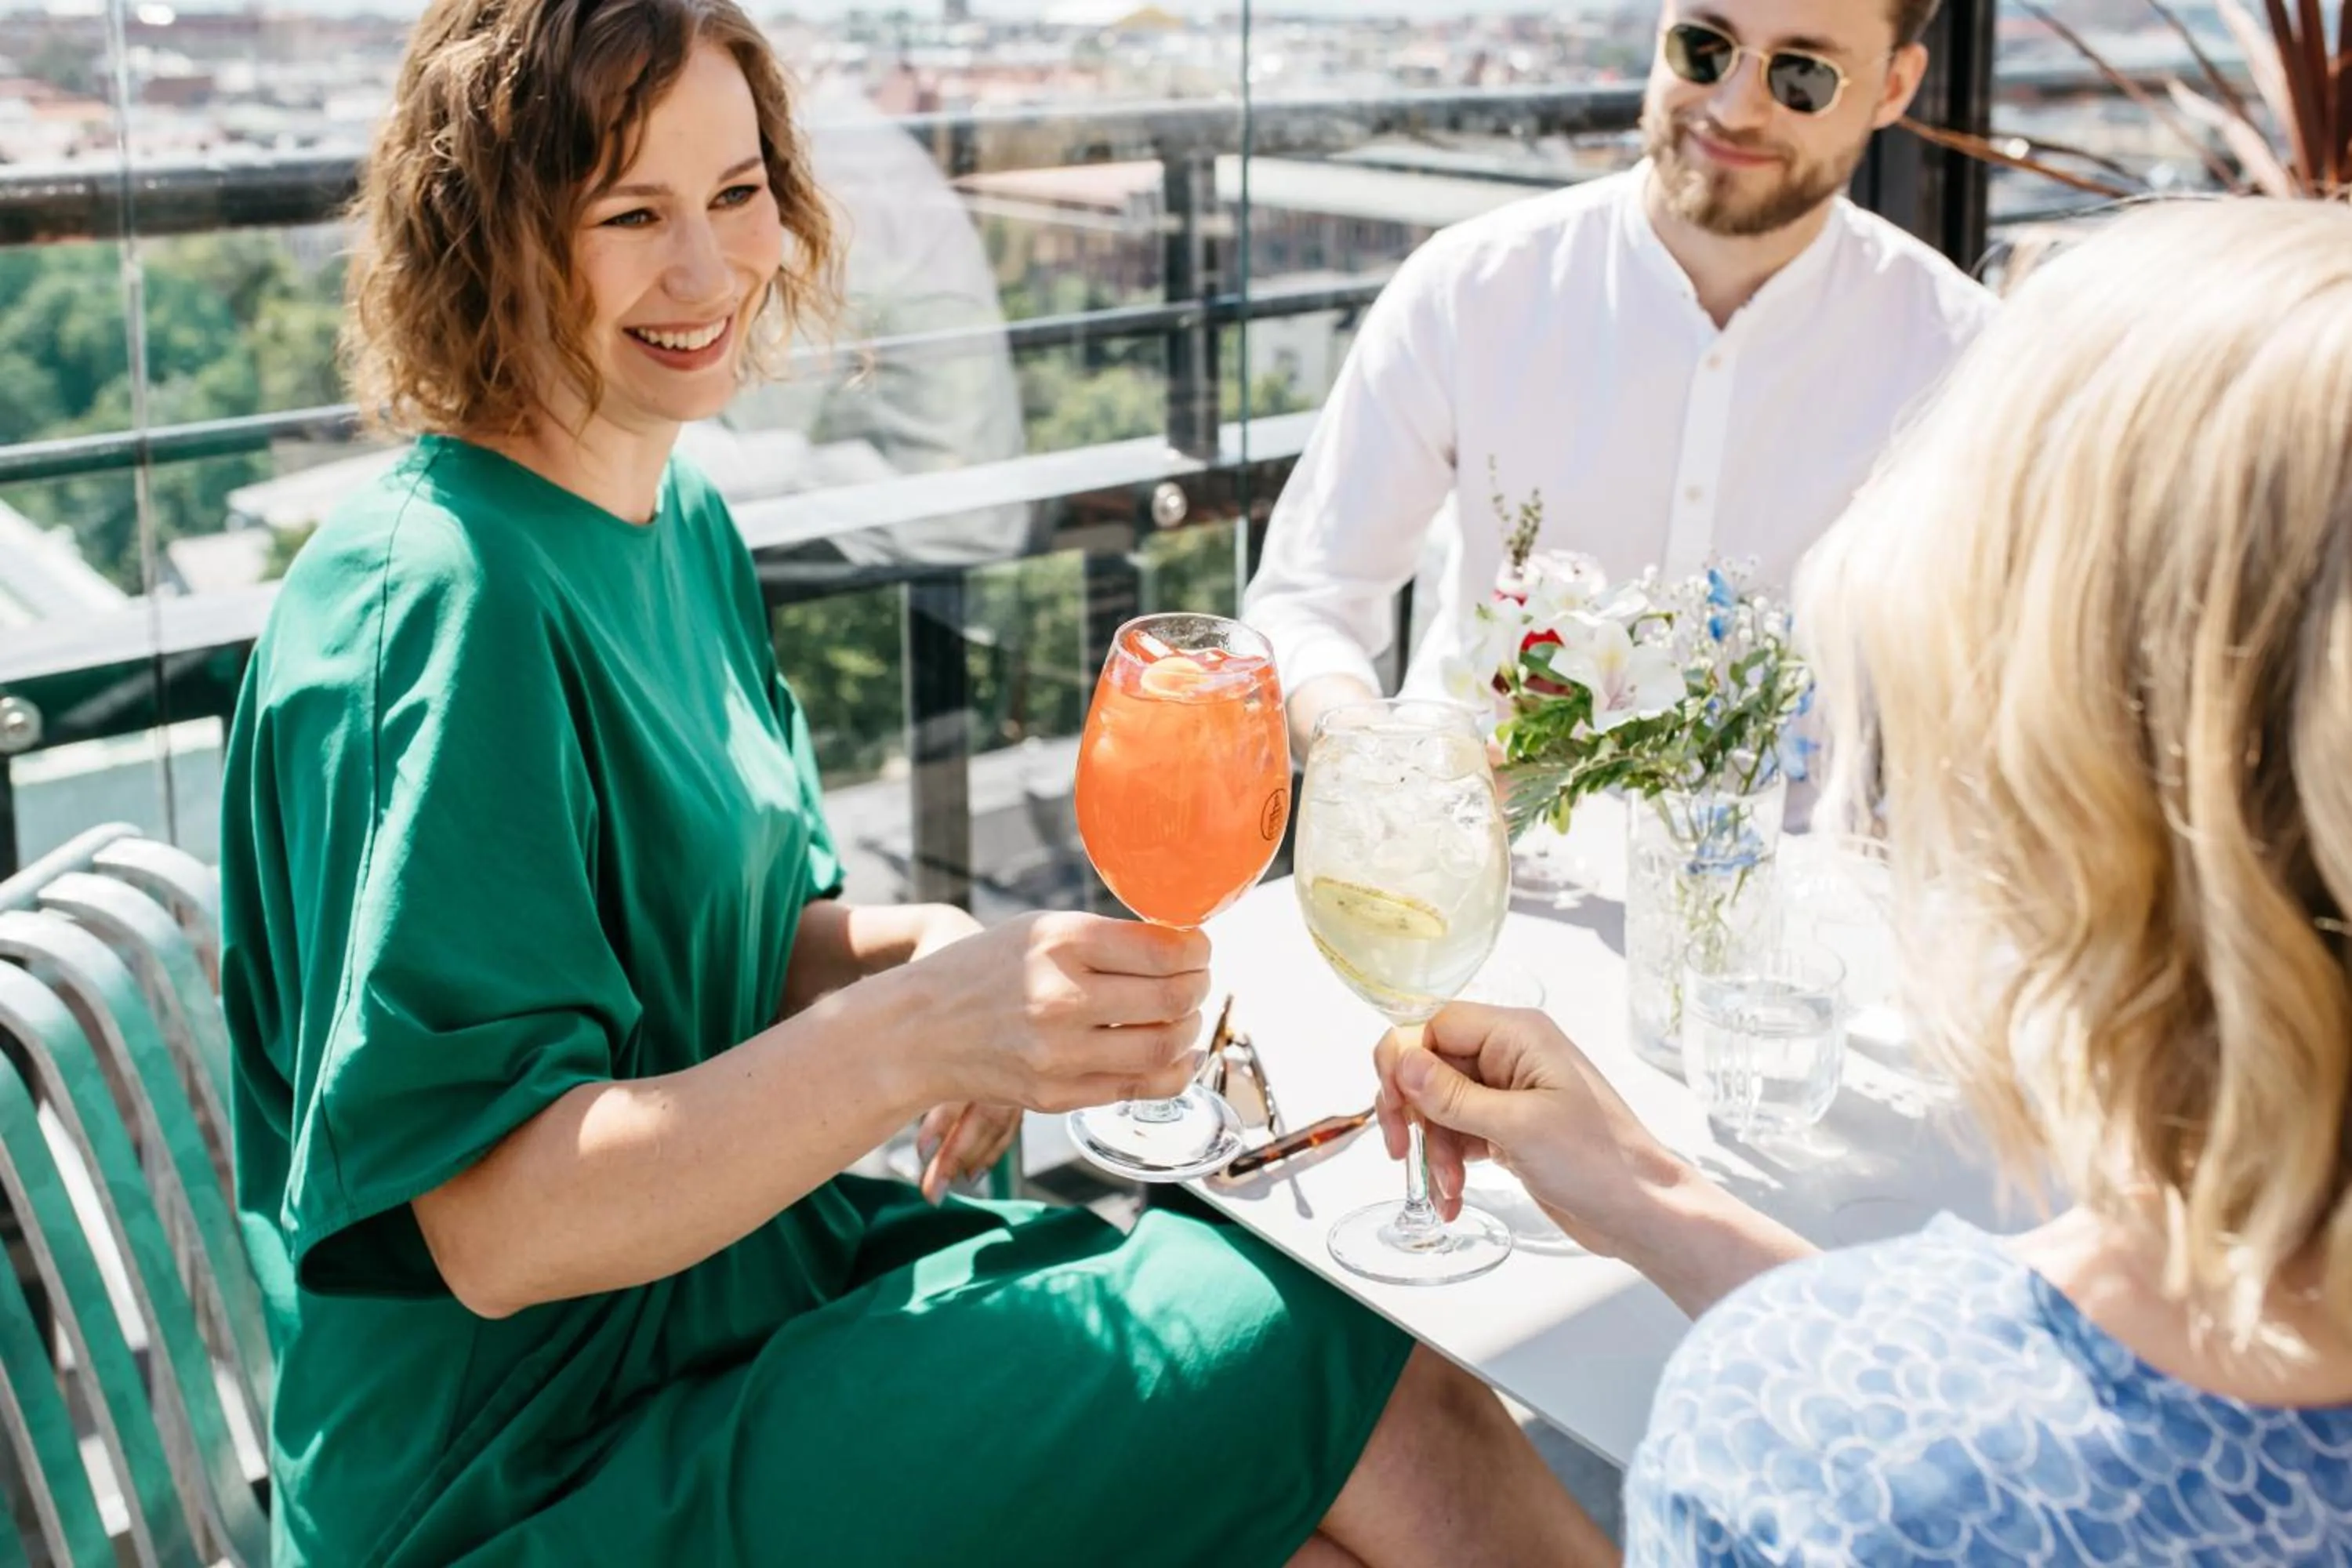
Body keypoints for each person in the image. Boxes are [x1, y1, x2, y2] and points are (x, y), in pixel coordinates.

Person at [214, 1, 1610, 1563]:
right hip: (526, 1468)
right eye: (629, 215)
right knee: (1313, 1330)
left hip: (738, 1305)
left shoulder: (673, 524)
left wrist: (931, 950)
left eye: (737, 193)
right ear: (491, 233)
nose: (706, 271)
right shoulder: (440, 600)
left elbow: (722, 948)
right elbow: (494, 1223)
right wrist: (909, 1037)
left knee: (1303, 1475)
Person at [1374, 197, 2352, 1562]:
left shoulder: (1815, 1450)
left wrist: (1789, 1362)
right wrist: (1658, 1197)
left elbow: (1921, 1432)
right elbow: (2066, 1386)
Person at [1243, 0, 1994, 753]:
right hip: (1482, 853)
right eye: (1704, 47)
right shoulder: (1469, 289)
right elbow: (1309, 603)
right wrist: (1380, 761)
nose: (1734, 107)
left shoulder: (1966, 359)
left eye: (1803, 76)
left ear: (1895, 86)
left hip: (1807, 864)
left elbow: (2002, 686)